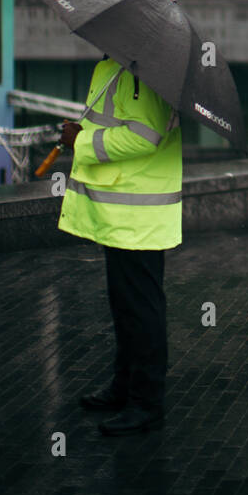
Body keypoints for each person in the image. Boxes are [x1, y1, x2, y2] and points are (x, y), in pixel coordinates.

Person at [58, 54, 182, 435]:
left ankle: (146, 403)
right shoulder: (114, 68)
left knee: (141, 311)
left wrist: (82, 141)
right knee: (126, 306)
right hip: (119, 213)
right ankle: (124, 388)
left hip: (137, 217)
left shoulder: (145, 74)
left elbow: (146, 135)